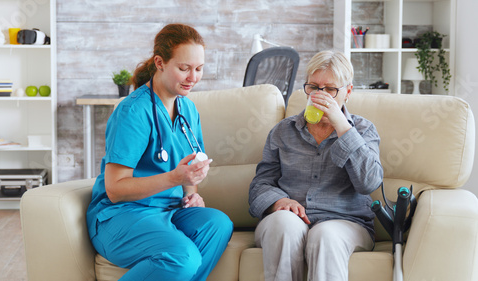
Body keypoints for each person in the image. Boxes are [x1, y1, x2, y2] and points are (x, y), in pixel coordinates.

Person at [86, 23, 233, 281]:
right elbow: (115, 189)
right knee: (182, 257)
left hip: (169, 210)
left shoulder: (188, 110)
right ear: (160, 63)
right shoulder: (133, 112)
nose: (193, 77)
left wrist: (191, 194)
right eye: (184, 68)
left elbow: (189, 170)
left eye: (199, 69)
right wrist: (175, 179)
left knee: (218, 224)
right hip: (121, 216)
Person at [248, 50, 383, 281]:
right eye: (313, 87)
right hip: (289, 219)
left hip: (345, 222)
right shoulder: (283, 131)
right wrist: (279, 201)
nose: (321, 95)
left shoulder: (362, 130)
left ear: (347, 92)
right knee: (284, 224)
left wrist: (342, 127)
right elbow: (260, 184)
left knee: (325, 235)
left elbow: (368, 183)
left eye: (330, 89)